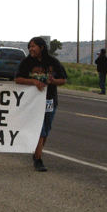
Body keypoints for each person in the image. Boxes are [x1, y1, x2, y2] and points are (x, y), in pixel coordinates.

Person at [15, 37, 67, 172]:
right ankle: (38, 160)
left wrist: (54, 81)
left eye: (33, 46)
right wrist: (33, 81)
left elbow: (63, 80)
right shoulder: (27, 62)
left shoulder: (53, 62)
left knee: (46, 130)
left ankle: (36, 154)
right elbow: (18, 79)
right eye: (29, 47)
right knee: (40, 130)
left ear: (41, 47)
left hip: (50, 100)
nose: (30, 49)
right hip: (33, 101)